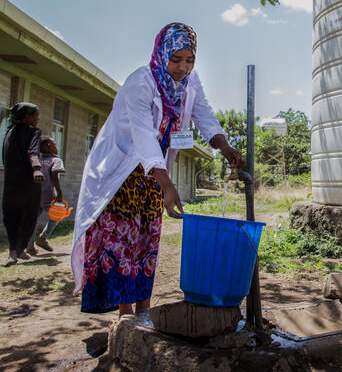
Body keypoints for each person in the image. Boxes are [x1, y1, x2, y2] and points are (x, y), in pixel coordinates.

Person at [71, 22, 243, 316]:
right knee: (123, 242)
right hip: (124, 172)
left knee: (147, 241)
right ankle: (126, 318)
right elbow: (143, 137)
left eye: (189, 60)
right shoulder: (140, 82)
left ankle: (144, 311)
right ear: (163, 53)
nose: (182, 67)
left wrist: (224, 146)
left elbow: (204, 114)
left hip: (155, 172)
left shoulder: (190, 82)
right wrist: (167, 184)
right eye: (176, 59)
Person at [2, 102, 44, 266]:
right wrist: (37, 169)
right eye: (36, 115)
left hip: (11, 182)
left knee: (11, 215)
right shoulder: (33, 132)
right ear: (27, 117)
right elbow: (33, 152)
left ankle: (14, 252)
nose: (38, 119)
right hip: (30, 182)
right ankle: (18, 250)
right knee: (29, 215)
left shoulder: (9, 132)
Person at [26, 136, 65, 255]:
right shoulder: (56, 160)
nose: (56, 147)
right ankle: (43, 238)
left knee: (32, 220)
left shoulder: (36, 160)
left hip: (34, 195)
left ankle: (29, 247)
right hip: (48, 196)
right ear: (48, 146)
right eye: (54, 144)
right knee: (58, 215)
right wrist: (59, 193)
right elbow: (54, 175)